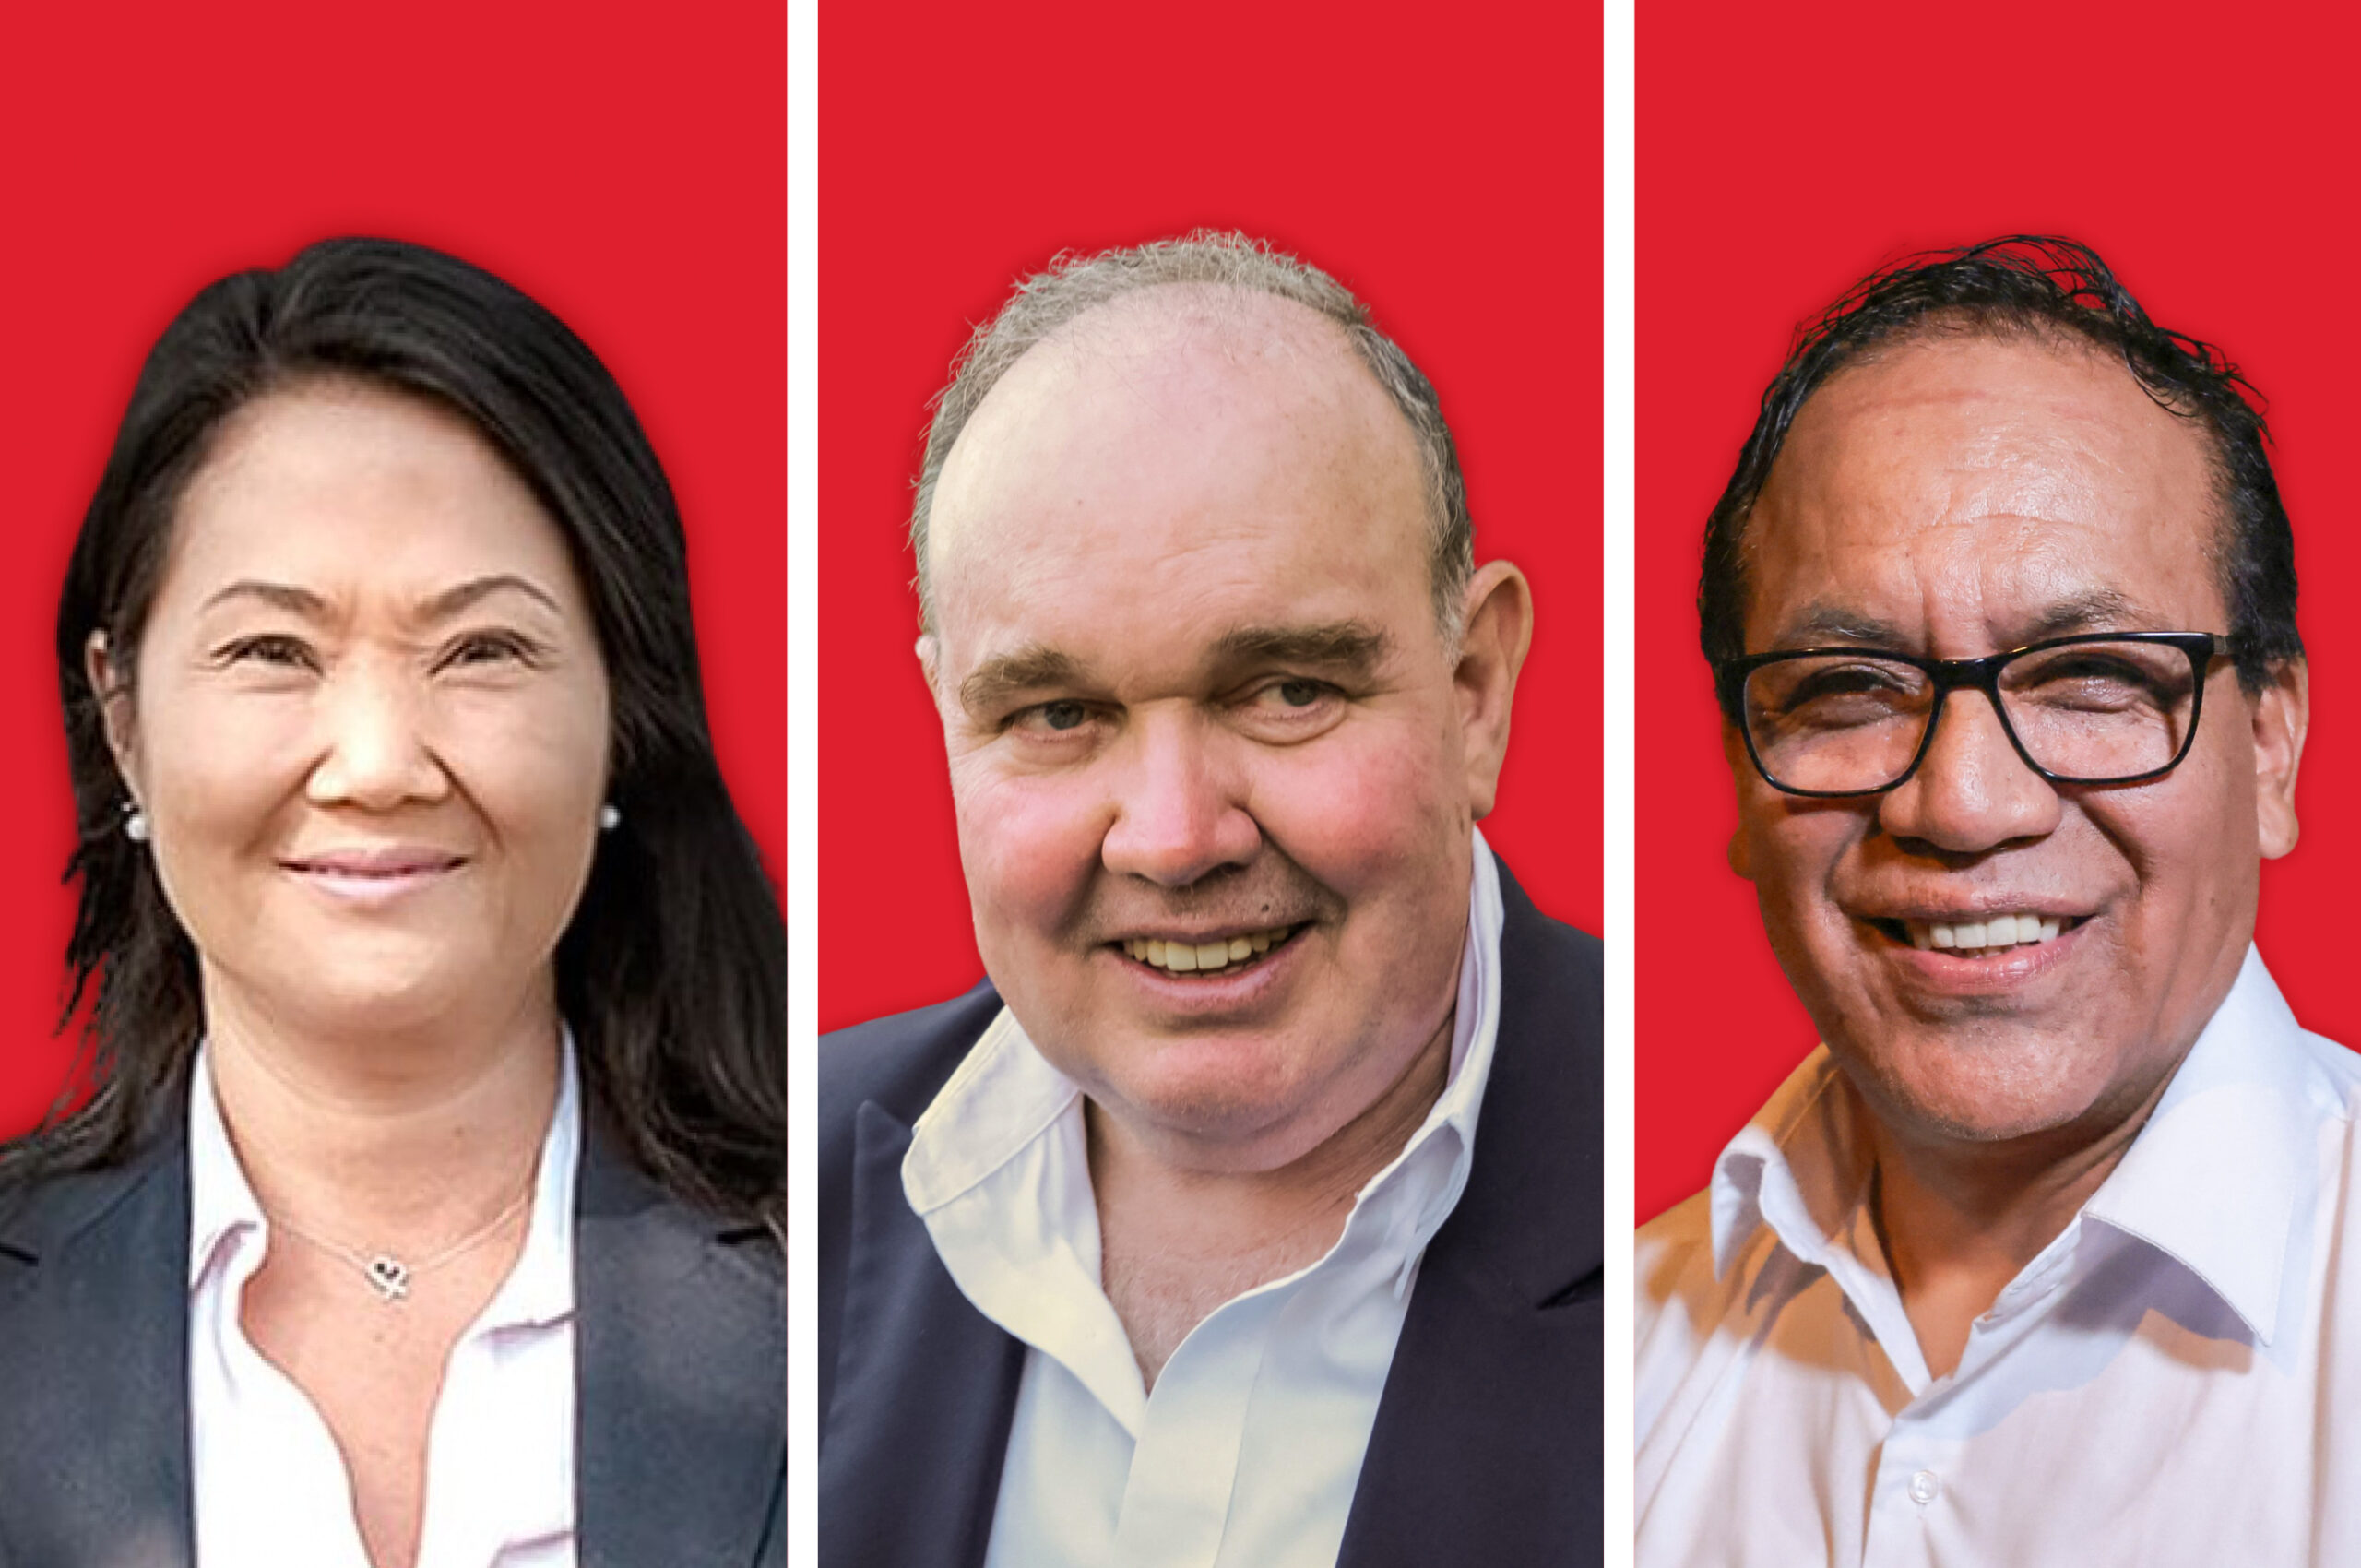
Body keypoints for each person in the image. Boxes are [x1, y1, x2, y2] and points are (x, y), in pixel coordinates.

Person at [816, 232, 1603, 1568]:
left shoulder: (1719, 1212)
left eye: (1289, 691)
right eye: (1058, 713)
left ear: (1476, 689)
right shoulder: (781, 1183)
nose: (1174, 839)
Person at [0, 239, 785, 1567]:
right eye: (271, 652)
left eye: (482, 650)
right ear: (123, 719)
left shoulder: (875, 1301)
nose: (376, 766)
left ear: (618, 717)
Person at [1636, 237, 2358, 1564]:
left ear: (2270, 746)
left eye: (2088, 678)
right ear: (1741, 772)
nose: (1963, 805)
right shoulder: (1613, 1362)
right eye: (1850, 688)